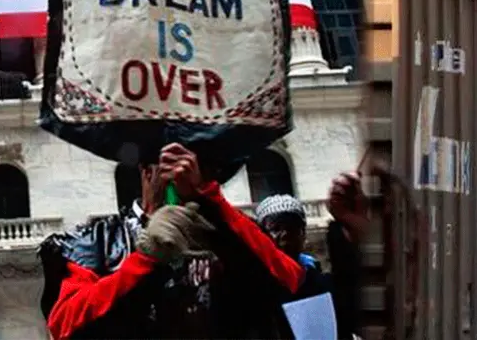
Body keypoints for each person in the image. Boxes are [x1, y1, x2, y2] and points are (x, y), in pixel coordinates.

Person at [38, 143, 365, 339]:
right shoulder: (96, 241)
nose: (183, 173)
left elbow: (289, 282)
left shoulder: (228, 232)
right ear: (146, 170)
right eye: (173, 162)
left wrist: (212, 202)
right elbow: (65, 325)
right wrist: (145, 260)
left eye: (196, 165)